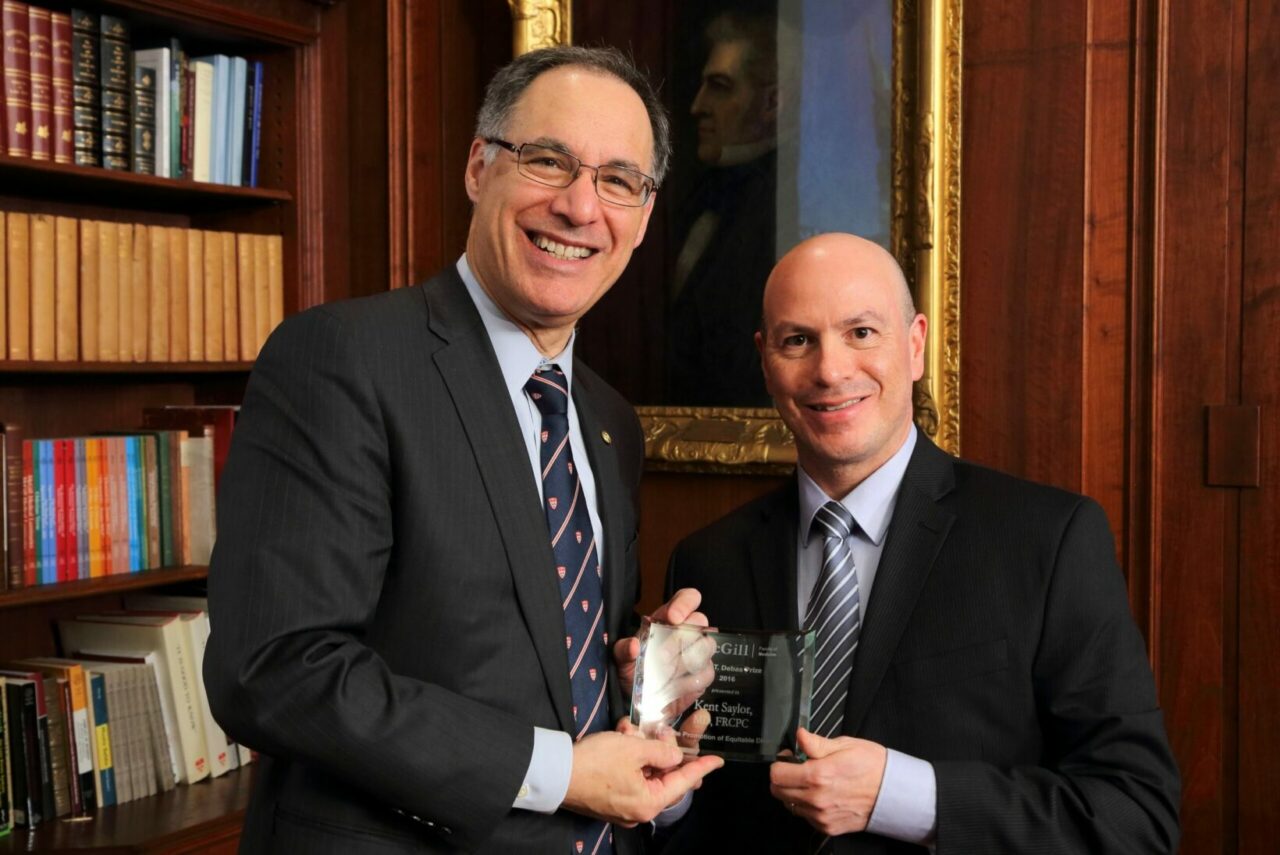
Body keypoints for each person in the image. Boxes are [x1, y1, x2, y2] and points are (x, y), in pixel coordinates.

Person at [203, 46, 721, 855]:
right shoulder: (343, 358)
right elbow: (275, 667)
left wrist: (632, 683)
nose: (582, 207)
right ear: (480, 167)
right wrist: (561, 769)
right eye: (549, 161)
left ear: (645, 216)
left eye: (618, 180)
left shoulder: (608, 422)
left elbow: (540, 670)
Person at [661, 233, 1181, 853]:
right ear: (765, 360)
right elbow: (702, 824)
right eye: (798, 340)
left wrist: (903, 798)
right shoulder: (707, 563)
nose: (830, 370)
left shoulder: (1047, 539)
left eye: (861, 333)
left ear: (915, 345)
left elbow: (1135, 816)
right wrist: (669, 785)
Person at [666, 6, 780, 406]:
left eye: (720, 86)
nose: (698, 105)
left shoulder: (779, 208)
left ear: (771, 103)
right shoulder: (700, 196)